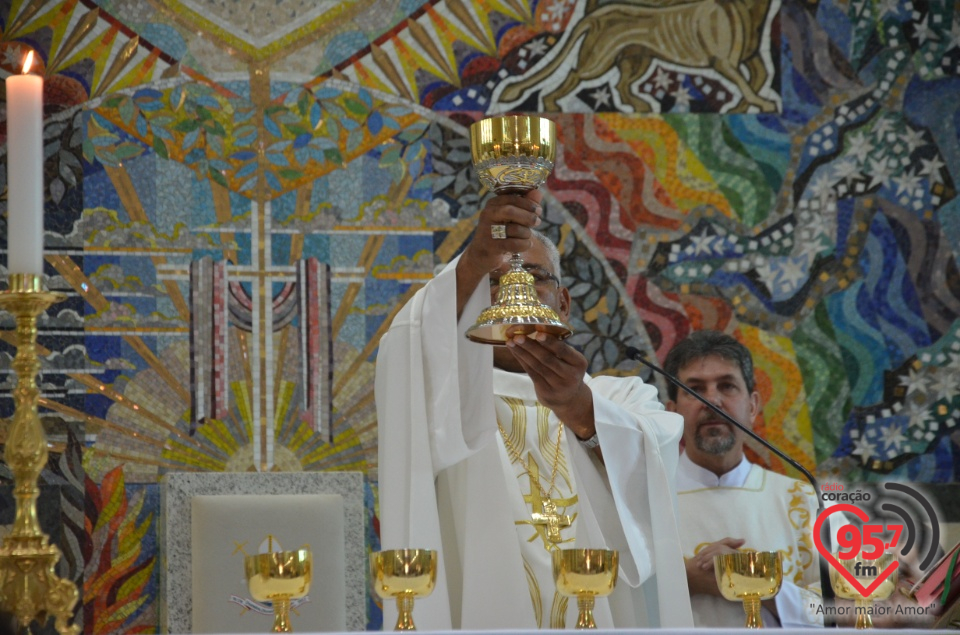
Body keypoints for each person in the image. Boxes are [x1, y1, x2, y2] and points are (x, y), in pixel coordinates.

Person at [375, 189, 694, 630]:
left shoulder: (619, 401)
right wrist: (477, 257)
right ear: (469, 303)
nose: (512, 292)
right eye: (494, 279)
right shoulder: (444, 402)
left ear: (563, 302)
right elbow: (407, 351)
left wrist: (581, 411)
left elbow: (652, 463)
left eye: (534, 278)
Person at [663, 330, 824, 627]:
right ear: (671, 413)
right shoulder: (643, 500)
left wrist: (758, 584)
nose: (712, 400)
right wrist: (683, 579)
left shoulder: (806, 501)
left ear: (752, 406)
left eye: (726, 386)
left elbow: (854, 607)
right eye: (695, 389)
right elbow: (610, 600)